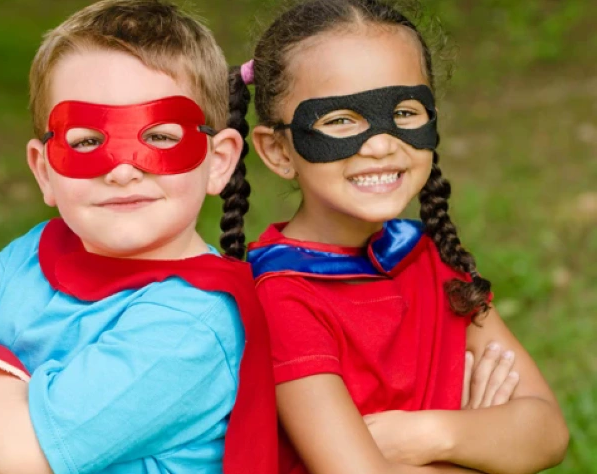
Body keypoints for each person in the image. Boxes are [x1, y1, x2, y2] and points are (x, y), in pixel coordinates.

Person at [0, 1, 278, 473]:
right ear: (44, 171)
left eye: (159, 137)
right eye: (87, 142)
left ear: (218, 161)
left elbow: (22, 459)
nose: (122, 171)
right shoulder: (29, 259)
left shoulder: (193, 325)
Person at [227, 0, 570, 473]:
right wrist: (481, 447)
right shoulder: (282, 296)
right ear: (278, 151)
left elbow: (547, 432)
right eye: (339, 120)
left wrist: (426, 435)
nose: (382, 144)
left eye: (405, 112)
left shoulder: (429, 255)